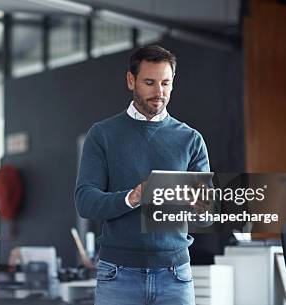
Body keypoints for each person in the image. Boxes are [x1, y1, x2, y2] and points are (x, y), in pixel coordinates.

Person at [74, 45, 210, 305]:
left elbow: (204, 213)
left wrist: (199, 204)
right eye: (149, 82)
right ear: (130, 80)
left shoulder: (191, 139)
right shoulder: (102, 135)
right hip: (118, 275)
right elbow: (85, 201)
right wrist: (132, 198)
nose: (159, 92)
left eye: (165, 83)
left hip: (175, 276)